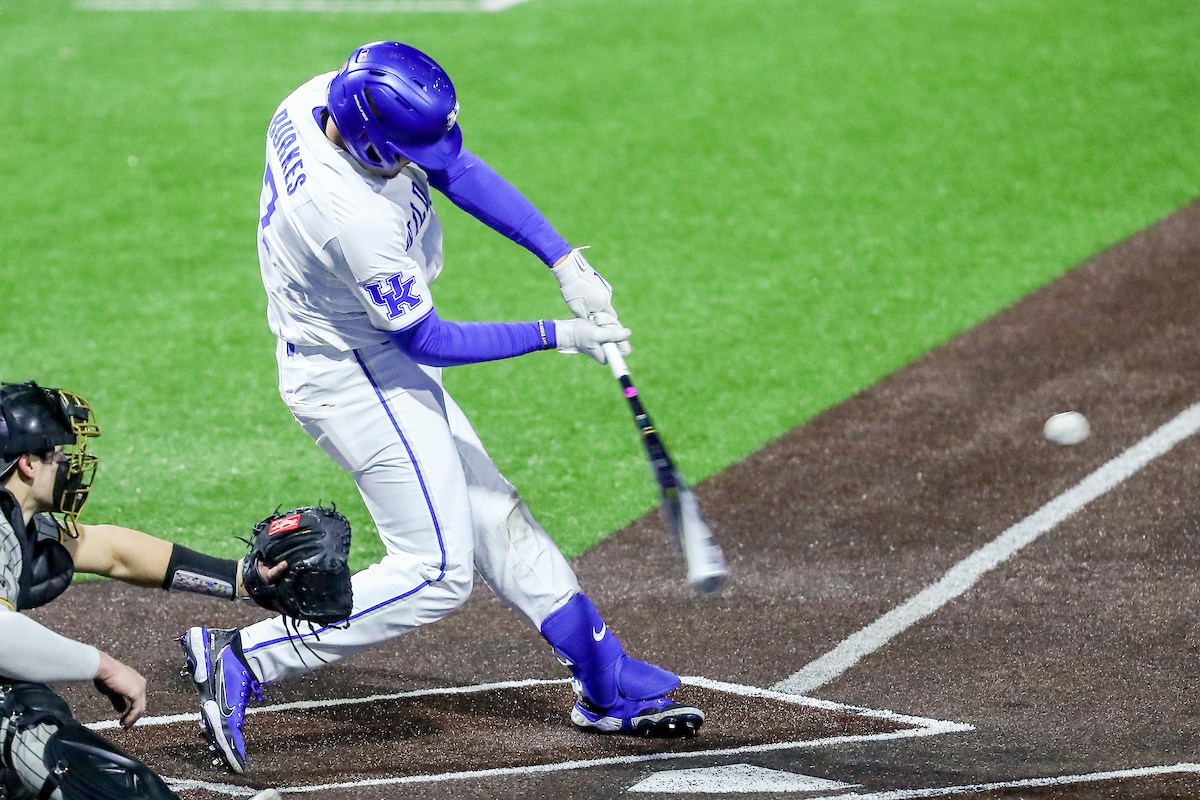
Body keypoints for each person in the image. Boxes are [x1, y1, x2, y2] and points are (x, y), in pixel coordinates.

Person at [179, 40, 704, 775]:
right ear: (368, 139)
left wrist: (563, 260)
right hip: (356, 379)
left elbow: (452, 165)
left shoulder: (322, 98)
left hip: (365, 355)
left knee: (494, 511)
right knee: (437, 570)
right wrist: (560, 334)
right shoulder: (345, 215)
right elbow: (427, 337)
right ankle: (247, 657)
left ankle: (603, 677)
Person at [0, 381, 282, 800]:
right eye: (59, 455)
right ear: (28, 464)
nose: (70, 467)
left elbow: (115, 552)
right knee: (35, 730)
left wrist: (241, 580)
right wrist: (103, 665)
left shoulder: (21, 527)